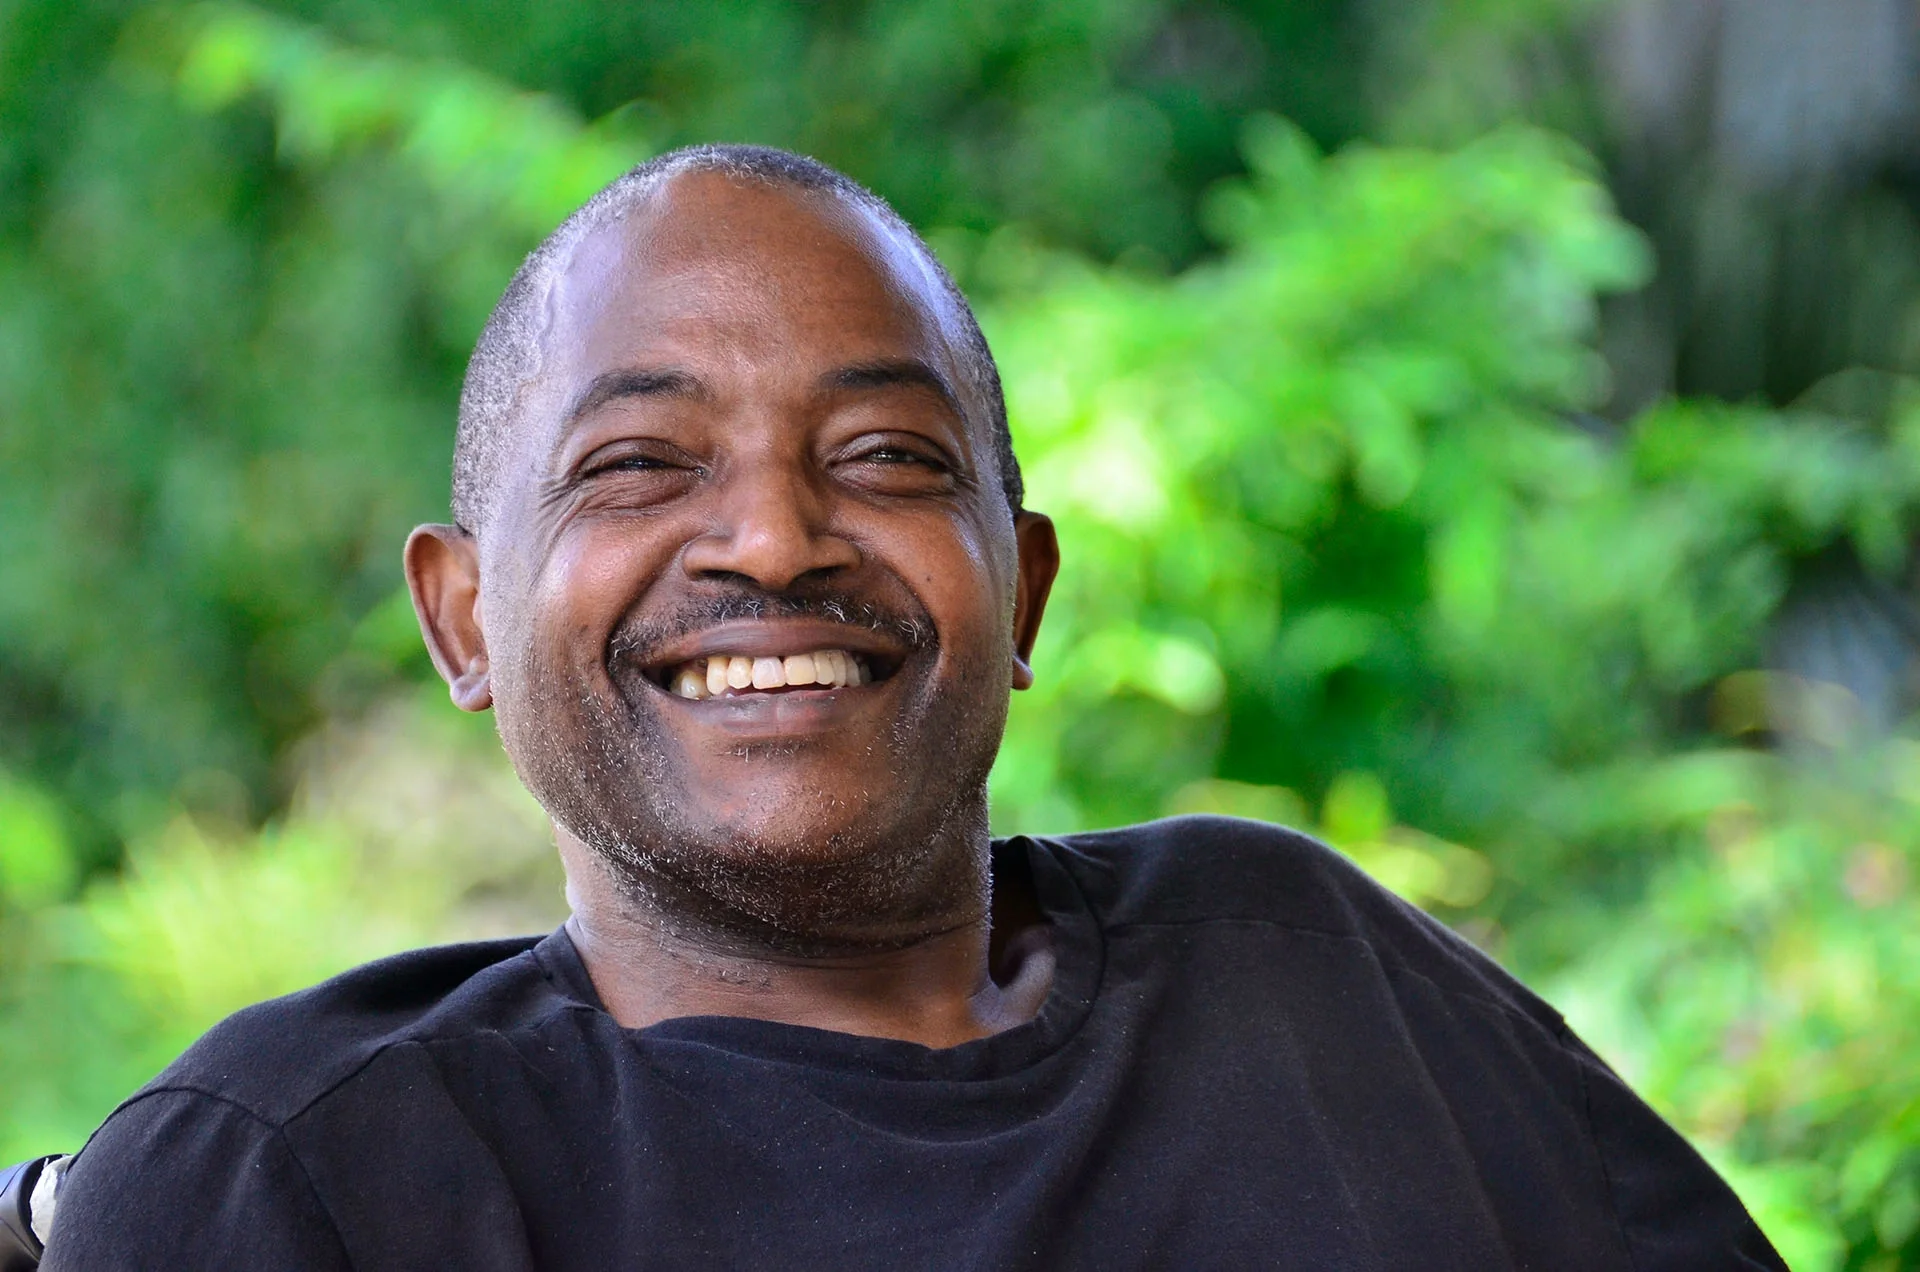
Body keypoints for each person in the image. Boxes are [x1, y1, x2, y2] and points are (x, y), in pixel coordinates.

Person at [40, 144, 1784, 1270]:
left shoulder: (1307, 975)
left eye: (885, 455)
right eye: (638, 464)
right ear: (464, 616)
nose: (775, 538)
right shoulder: (318, 1177)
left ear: (1020, 591)